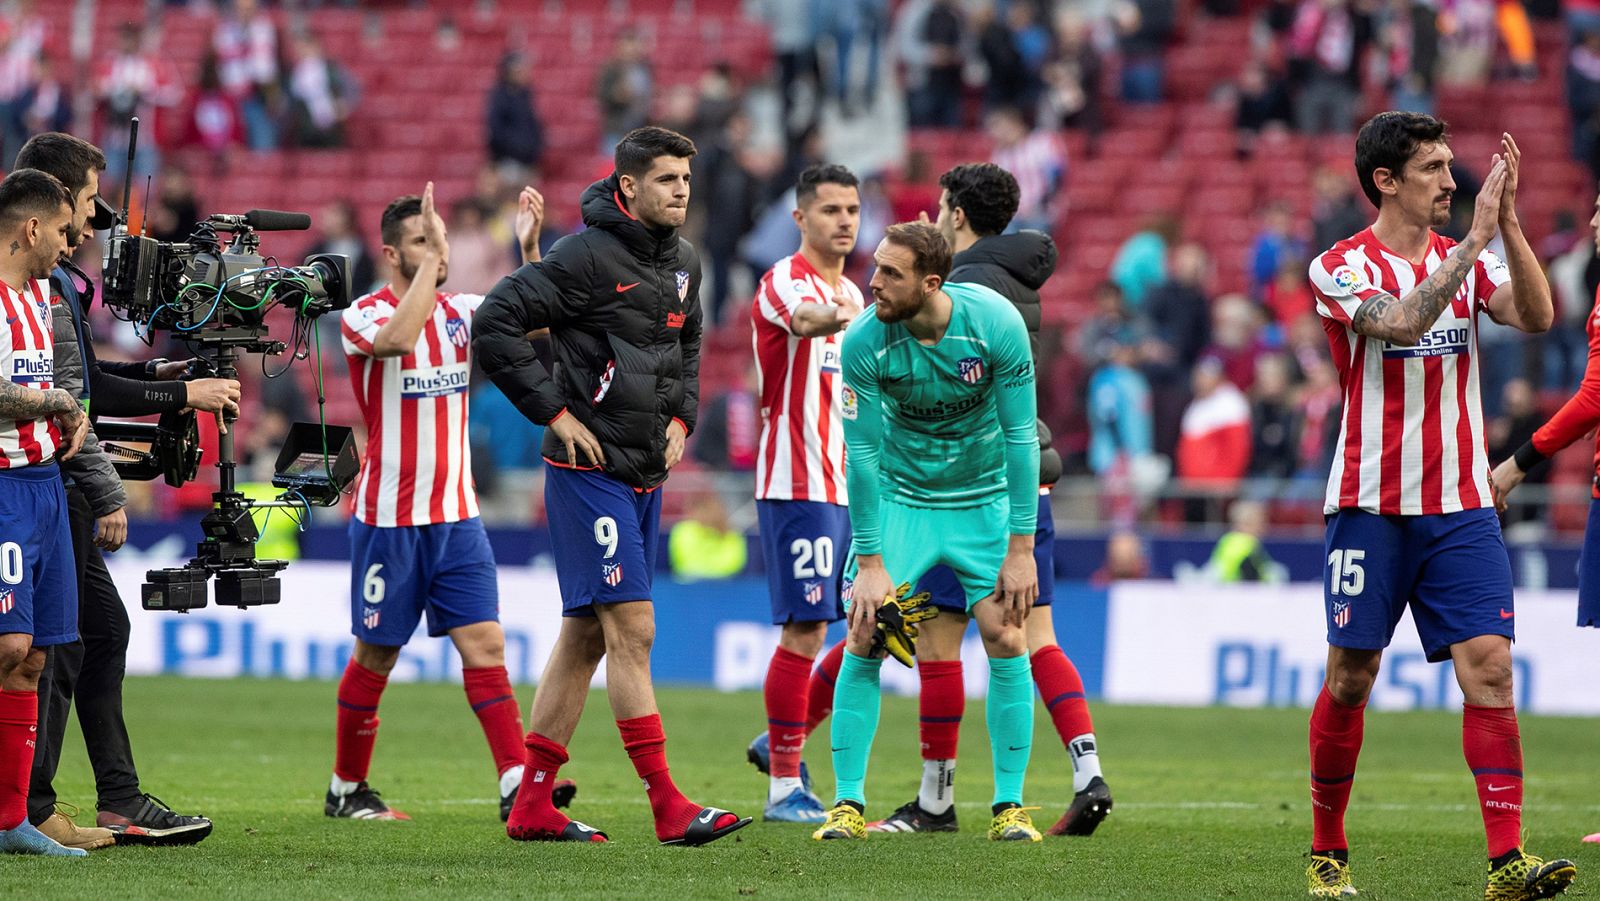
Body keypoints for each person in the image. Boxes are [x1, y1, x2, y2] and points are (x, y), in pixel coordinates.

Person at [1303, 112, 1576, 899]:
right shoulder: (1339, 266)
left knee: (1490, 671)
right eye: (1433, 168)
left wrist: (1511, 227)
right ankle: (1328, 852)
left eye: (1452, 166)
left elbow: (1537, 315)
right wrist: (1470, 244)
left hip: (1461, 502)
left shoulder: (1476, 257)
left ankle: (1506, 864)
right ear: (1386, 180)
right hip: (1369, 503)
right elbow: (1403, 322)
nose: (1451, 181)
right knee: (1352, 676)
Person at [473, 126, 750, 846]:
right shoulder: (587, 256)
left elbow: (687, 340)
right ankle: (667, 803)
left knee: (586, 637)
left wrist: (685, 415)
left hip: (643, 472)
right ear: (628, 186)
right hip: (587, 472)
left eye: (686, 178)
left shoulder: (684, 260)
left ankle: (532, 802)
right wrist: (555, 412)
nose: (682, 190)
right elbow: (495, 321)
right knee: (635, 629)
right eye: (666, 179)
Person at [867, 163, 1113, 838]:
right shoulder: (1022, 278)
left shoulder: (959, 285)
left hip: (966, 484)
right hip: (1028, 480)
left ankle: (936, 801)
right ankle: (1086, 767)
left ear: (955, 214)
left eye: (941, 206)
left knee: (940, 637)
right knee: (1035, 634)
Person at [17, 132, 230, 848]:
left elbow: (85, 378)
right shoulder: (33, 285)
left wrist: (168, 381)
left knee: (93, 636)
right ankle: (36, 803)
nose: (91, 221)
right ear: (46, 205)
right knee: (55, 644)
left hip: (59, 483)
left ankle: (109, 798)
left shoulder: (50, 282)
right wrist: (177, 396)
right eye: (83, 203)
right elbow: (75, 393)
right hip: (48, 487)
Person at [812, 221, 1042, 843]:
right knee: (863, 633)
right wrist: (870, 562)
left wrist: (1022, 547)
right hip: (904, 501)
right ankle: (848, 806)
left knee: (1006, 633)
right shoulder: (864, 339)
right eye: (876, 267)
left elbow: (1023, 437)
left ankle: (1010, 808)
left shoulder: (993, 324)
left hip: (983, 502)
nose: (873, 281)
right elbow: (860, 457)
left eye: (891, 273)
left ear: (931, 283)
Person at [330, 181, 546, 823]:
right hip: (389, 520)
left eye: (442, 239)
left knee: (484, 643)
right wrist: (430, 269)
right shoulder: (363, 315)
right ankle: (347, 788)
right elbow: (398, 338)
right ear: (392, 253)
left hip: (457, 518)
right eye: (424, 241)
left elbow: (541, 318)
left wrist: (530, 253)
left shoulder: (460, 312)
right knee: (376, 655)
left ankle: (515, 779)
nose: (440, 250)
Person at [742, 164, 863, 824]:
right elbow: (807, 320)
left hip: (850, 486)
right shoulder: (786, 281)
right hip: (797, 481)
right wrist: (853, 313)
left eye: (852, 209)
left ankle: (782, 738)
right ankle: (785, 785)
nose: (844, 220)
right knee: (806, 627)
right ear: (801, 219)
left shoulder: (853, 291)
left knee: (876, 624)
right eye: (830, 210)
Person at [0, 168, 88, 858]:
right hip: (2, 489)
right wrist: (53, 403)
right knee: (4, 648)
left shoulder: (41, 298)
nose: (70, 242)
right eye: (62, 230)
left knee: (34, 656)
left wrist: (71, 407)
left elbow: (44, 382)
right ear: (30, 228)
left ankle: (11, 820)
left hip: (46, 487)